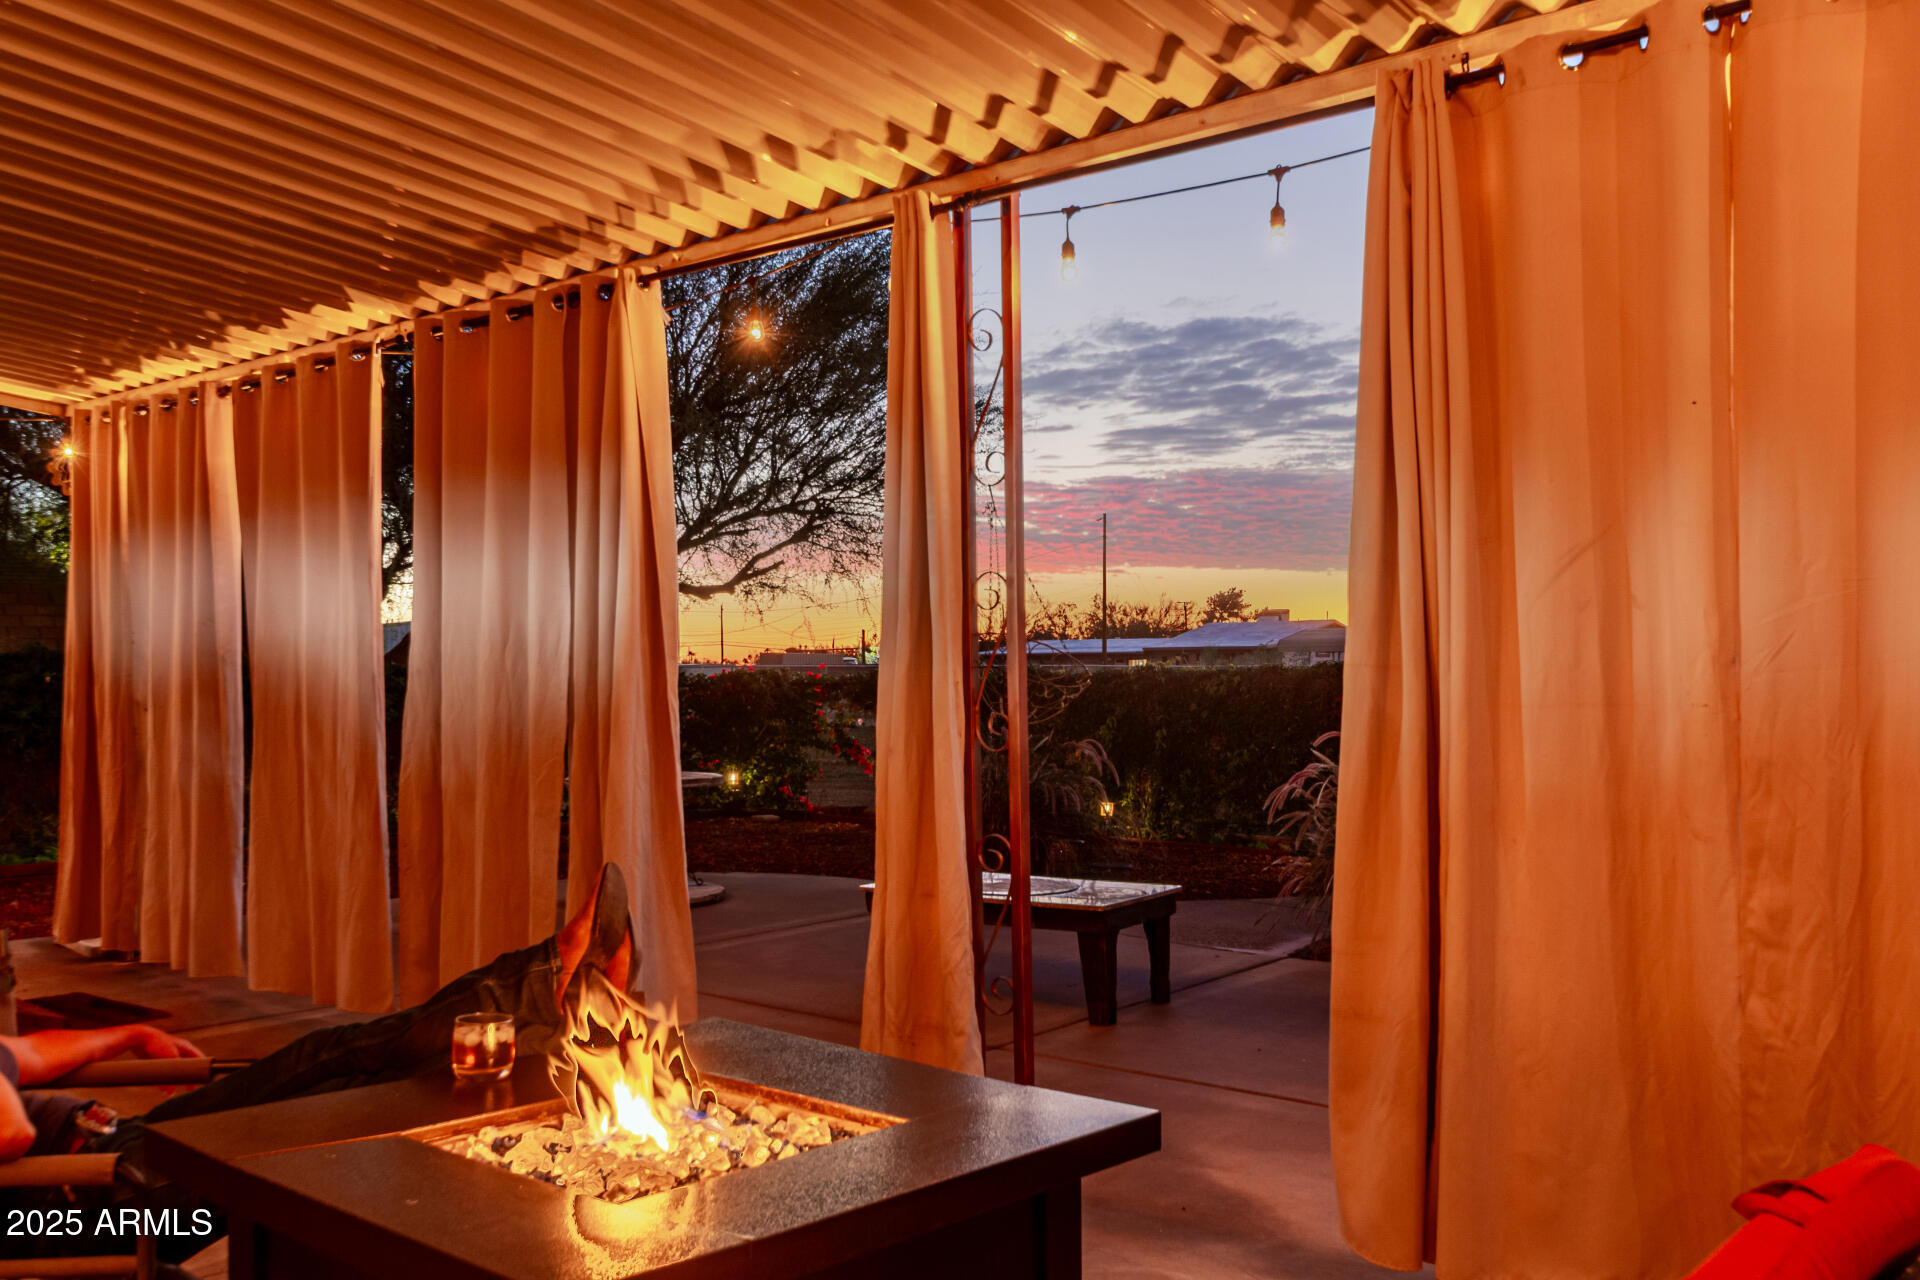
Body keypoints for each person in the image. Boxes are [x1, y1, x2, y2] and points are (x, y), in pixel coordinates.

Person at [0, 864, 639, 1264]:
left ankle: (548, 985)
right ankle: (553, 1008)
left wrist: (128, 1034)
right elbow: (11, 1132)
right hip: (95, 1204)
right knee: (359, 1106)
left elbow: (20, 1056)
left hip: (113, 1147)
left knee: (329, 1056)